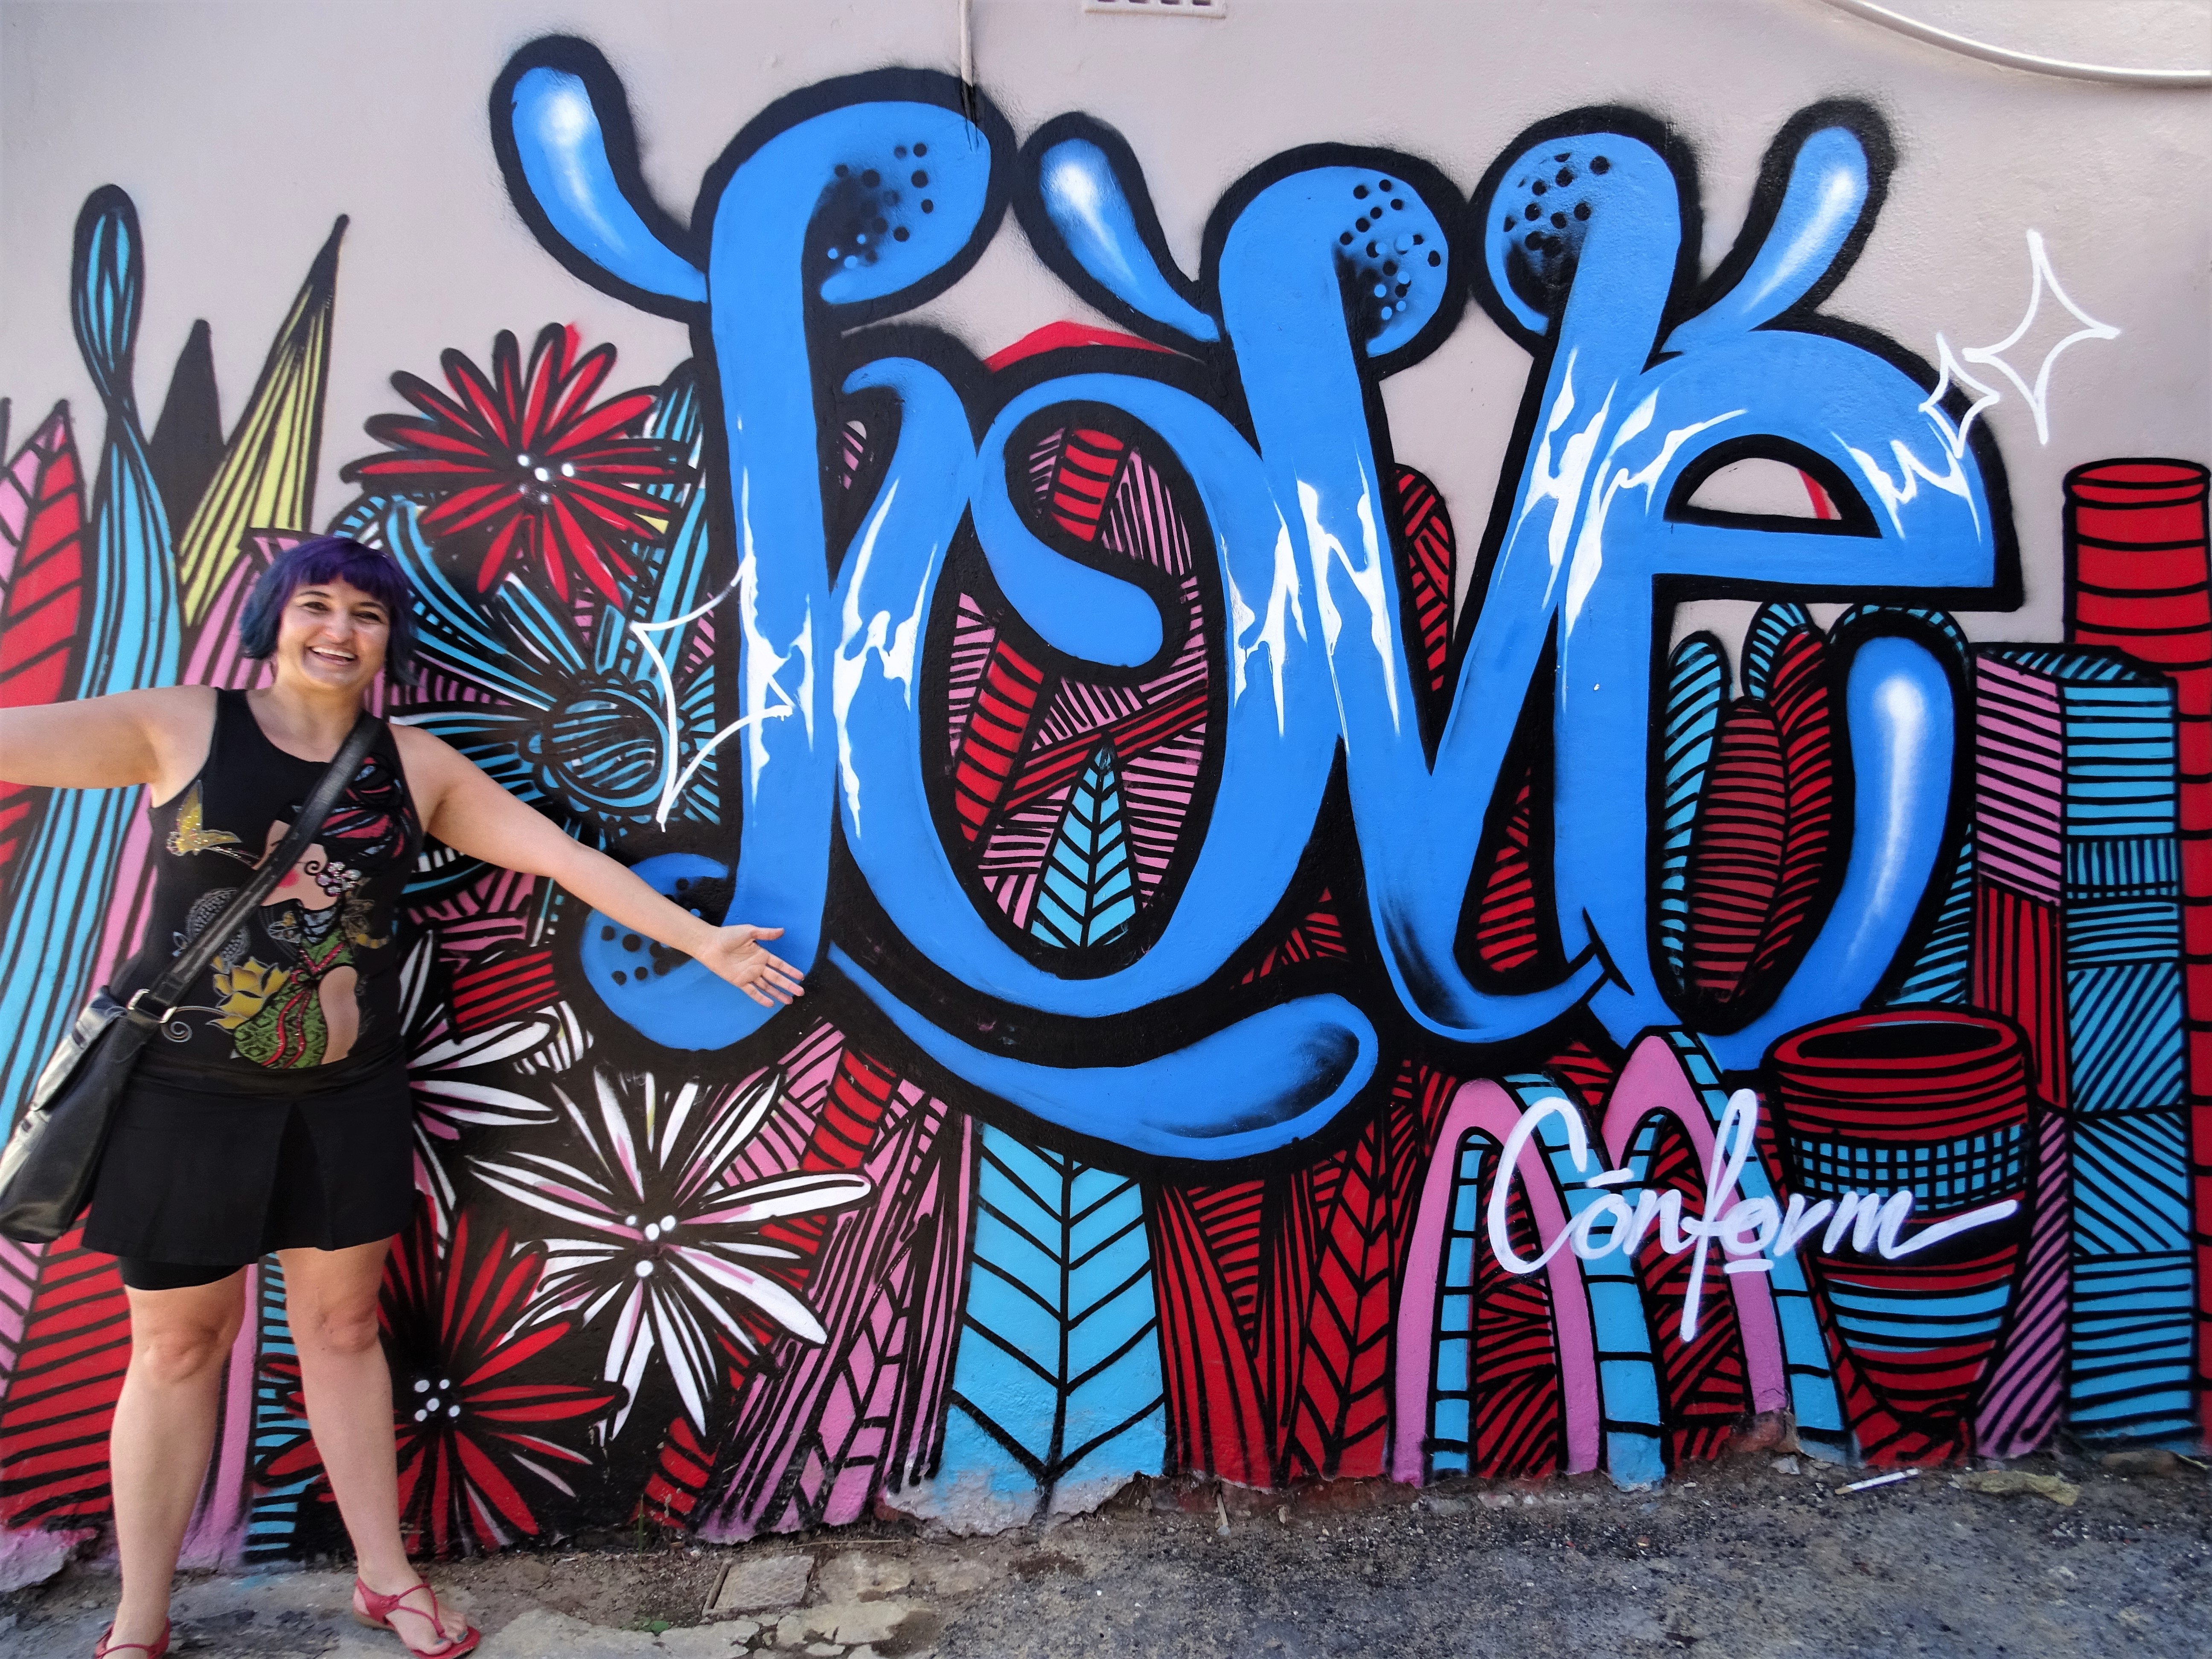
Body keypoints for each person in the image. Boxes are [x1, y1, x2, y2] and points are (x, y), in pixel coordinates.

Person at [0, 536, 803, 1659]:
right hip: (181, 1095)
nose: (338, 630)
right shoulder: (177, 725)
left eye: (366, 614)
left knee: (340, 1330)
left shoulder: (412, 766)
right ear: (274, 619)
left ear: (389, 640)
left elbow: (561, 858)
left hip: (344, 1098)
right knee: (179, 1349)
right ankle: (140, 1617)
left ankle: (385, 1580)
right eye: (316, 605)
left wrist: (700, 939)